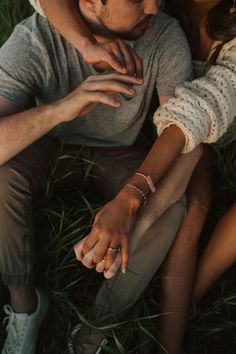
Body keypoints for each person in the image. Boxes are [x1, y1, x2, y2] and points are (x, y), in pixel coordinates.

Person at [0, 1, 202, 354]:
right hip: (51, 146)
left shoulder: (165, 35)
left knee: (172, 204)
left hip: (118, 154)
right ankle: (25, 307)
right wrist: (61, 109)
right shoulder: (33, 38)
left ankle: (97, 324)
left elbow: (181, 133)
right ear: (91, 1)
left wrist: (133, 195)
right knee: (3, 175)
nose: (154, 6)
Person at [152, 0, 236, 353]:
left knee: (197, 205)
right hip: (167, 128)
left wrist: (137, 186)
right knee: (192, 208)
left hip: (215, 125)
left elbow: (207, 102)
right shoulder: (156, 5)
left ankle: (192, 301)